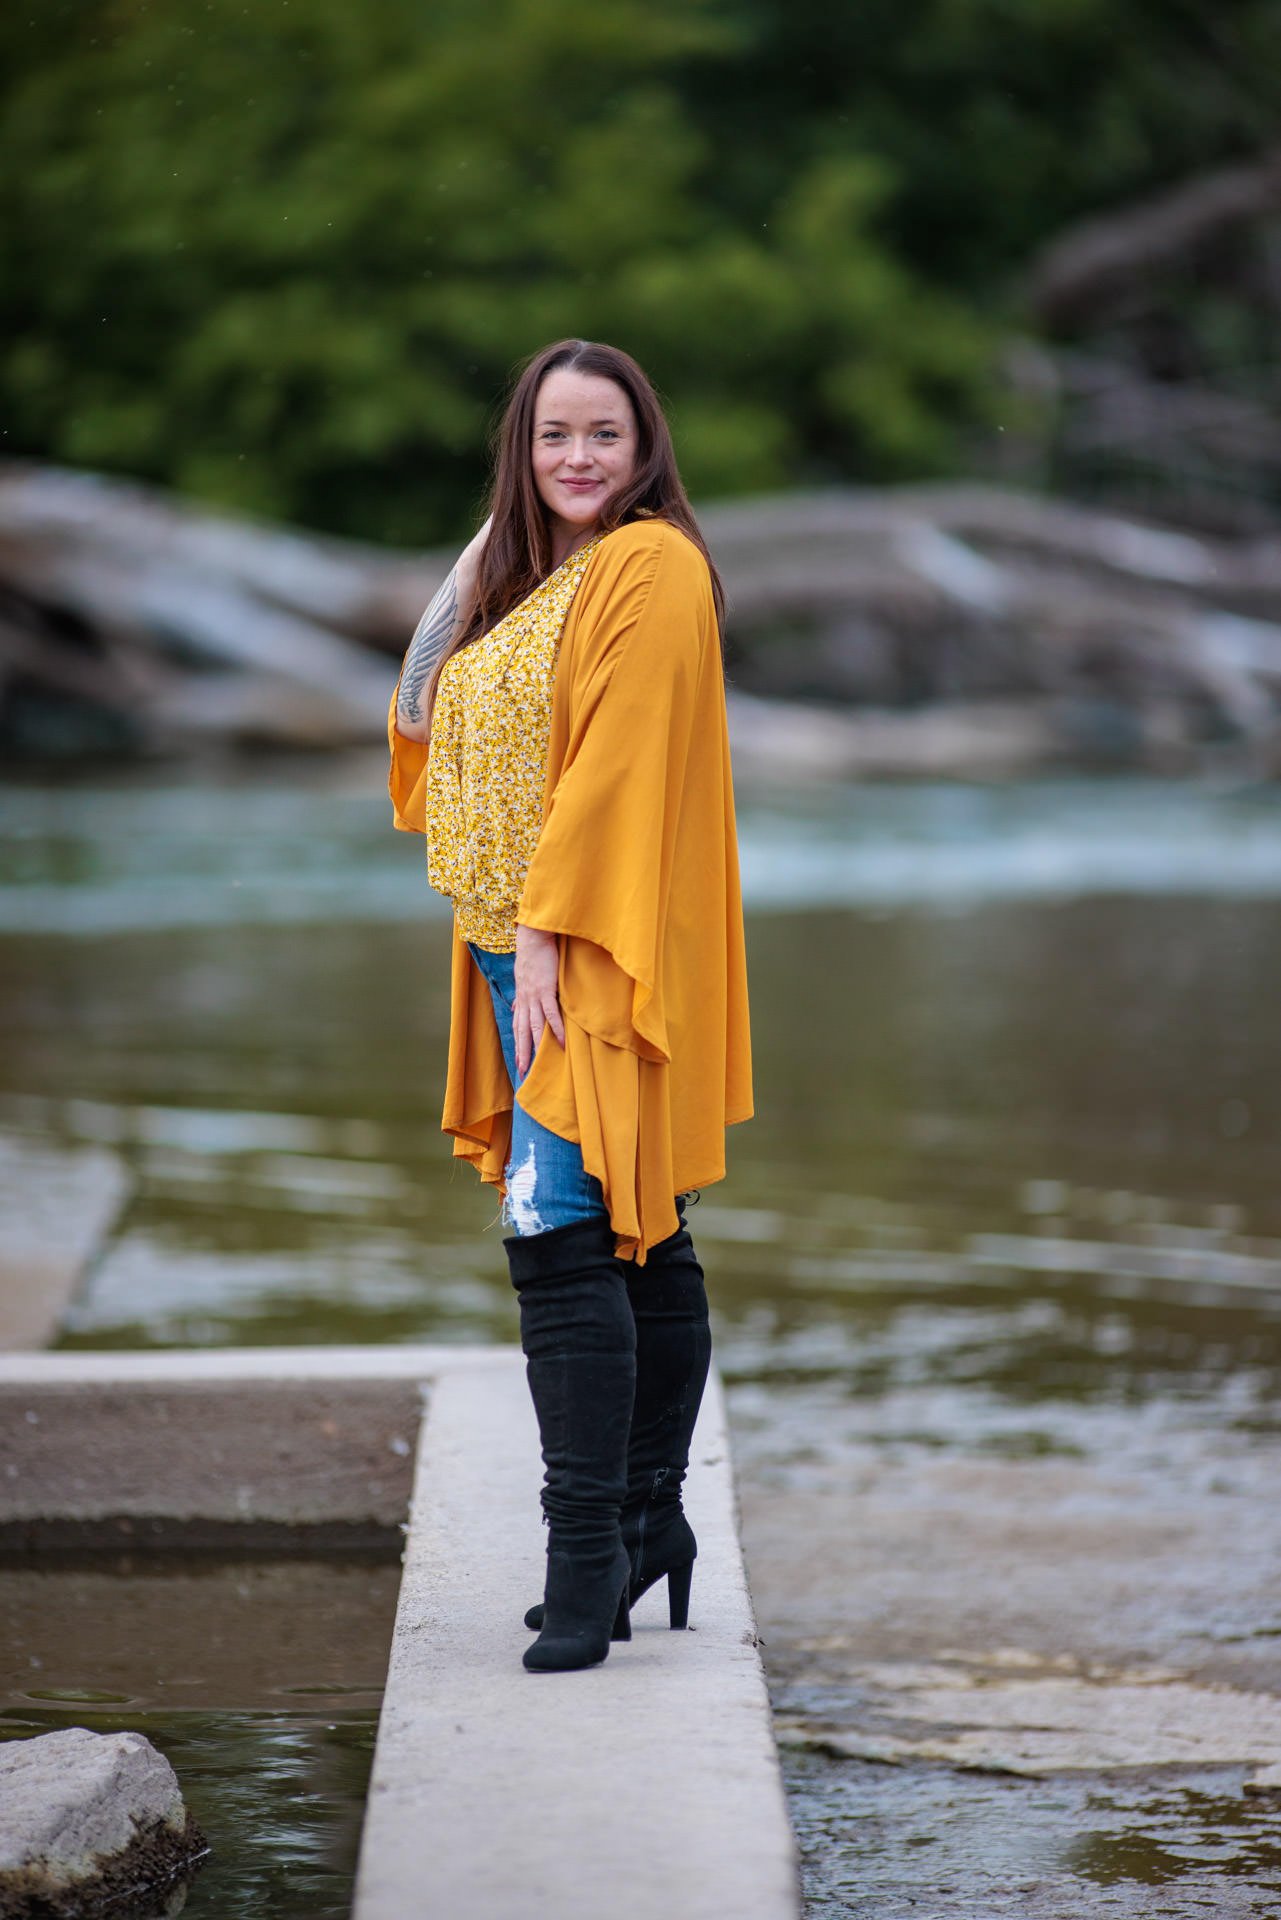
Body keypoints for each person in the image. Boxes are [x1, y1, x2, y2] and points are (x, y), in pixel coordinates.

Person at [388, 339, 752, 1673]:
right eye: (551, 435)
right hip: (510, 948)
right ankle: (649, 1523)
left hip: (589, 945)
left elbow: (615, 766)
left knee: (553, 1235)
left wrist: (548, 931)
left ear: (646, 445)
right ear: (520, 451)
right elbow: (420, 700)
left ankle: (584, 1555)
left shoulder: (652, 566)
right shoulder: (534, 575)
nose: (579, 457)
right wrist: (501, 526)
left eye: (604, 433)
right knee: (635, 1232)